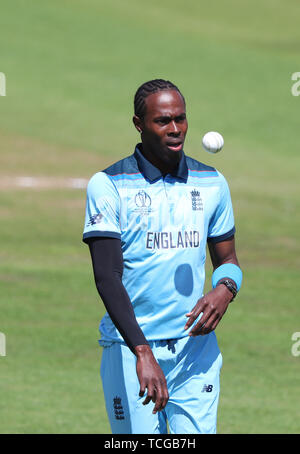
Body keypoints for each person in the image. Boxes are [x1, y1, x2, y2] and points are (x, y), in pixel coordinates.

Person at [82, 79, 242, 434]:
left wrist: (226, 289)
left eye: (181, 119)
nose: (175, 129)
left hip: (195, 351)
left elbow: (228, 260)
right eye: (163, 121)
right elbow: (107, 276)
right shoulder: (109, 185)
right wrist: (141, 352)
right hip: (132, 350)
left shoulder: (212, 183)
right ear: (139, 125)